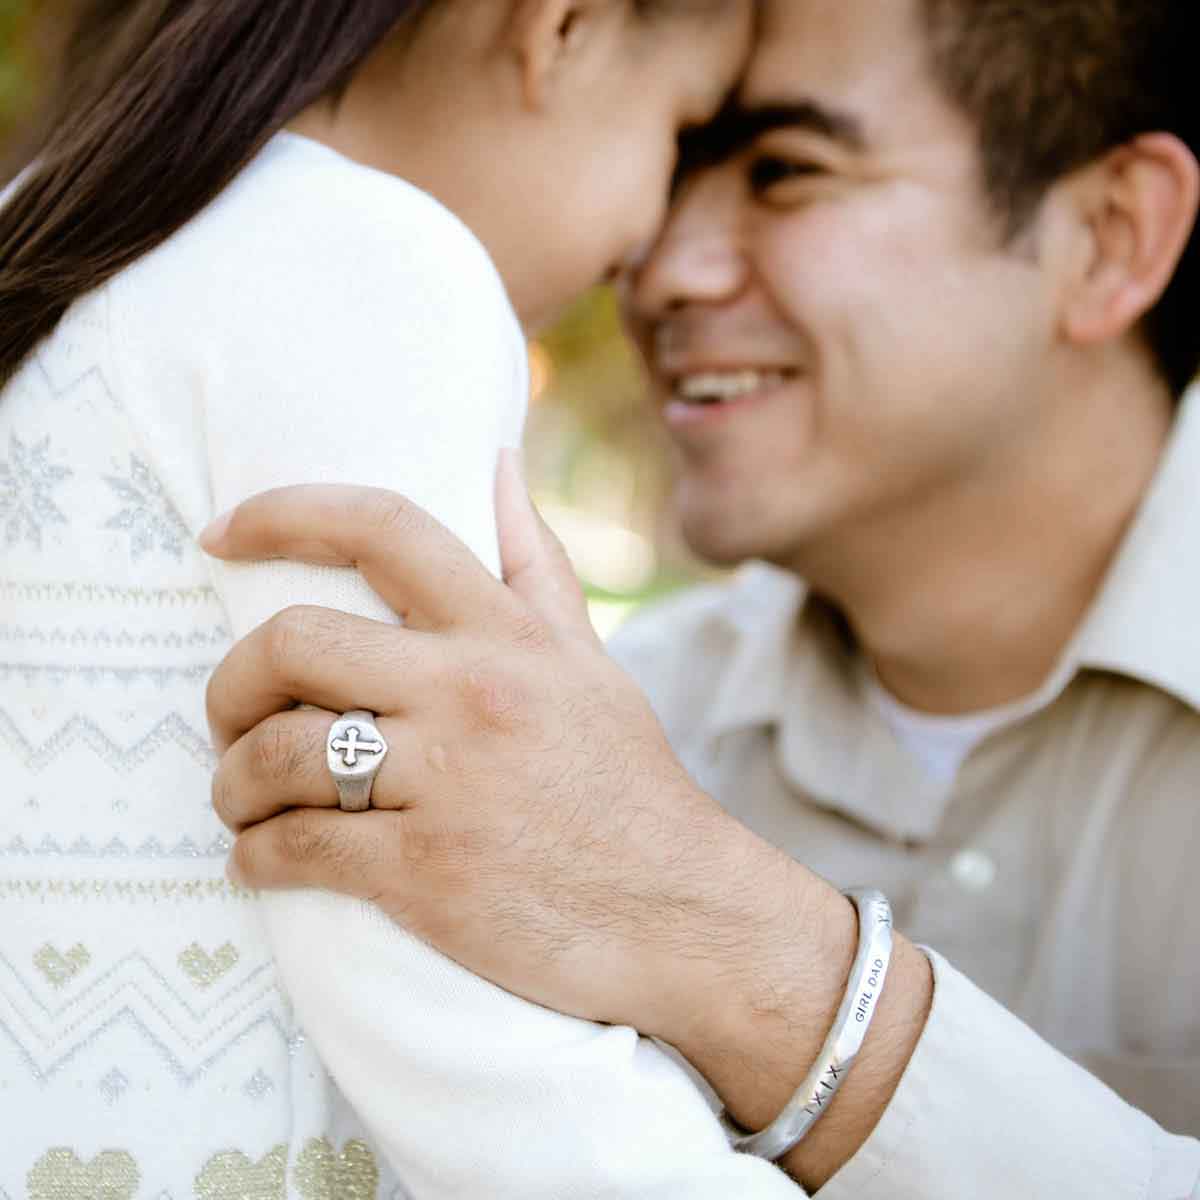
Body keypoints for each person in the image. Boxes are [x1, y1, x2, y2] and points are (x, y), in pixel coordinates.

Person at [202, 0, 1200, 1196]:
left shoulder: (603, 802)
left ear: (1108, 236)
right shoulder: (605, 727)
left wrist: (740, 951)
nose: (661, 269)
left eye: (787, 171)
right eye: (679, 160)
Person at [0, 1, 811, 1196]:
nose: (652, 246)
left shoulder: (52, 227)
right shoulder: (365, 260)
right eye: (681, 132)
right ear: (561, 29)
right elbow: (442, 992)